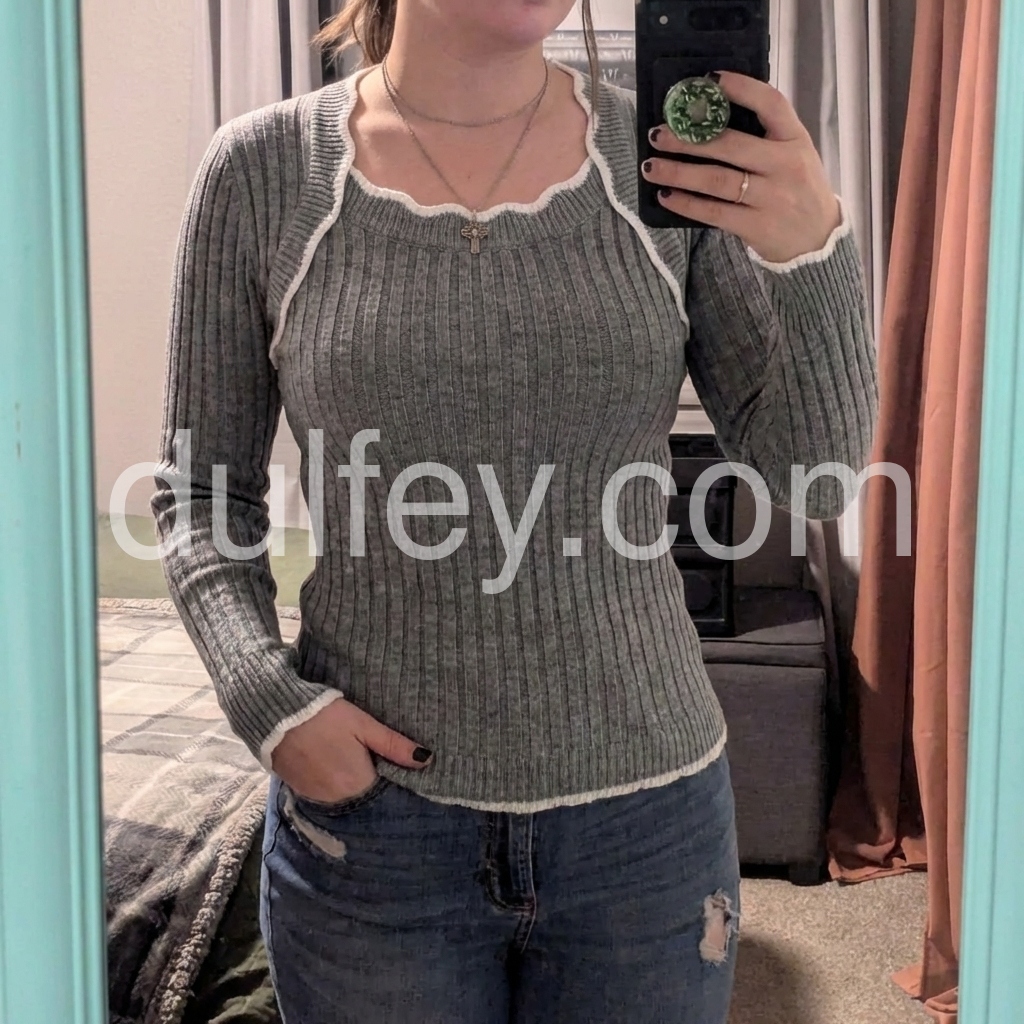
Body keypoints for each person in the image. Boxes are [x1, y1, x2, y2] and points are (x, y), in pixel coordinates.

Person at [152, 1, 878, 1020]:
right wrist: (268, 703)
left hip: (647, 822)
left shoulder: (662, 163)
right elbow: (201, 493)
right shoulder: (263, 172)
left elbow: (816, 480)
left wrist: (812, 252)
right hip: (371, 830)